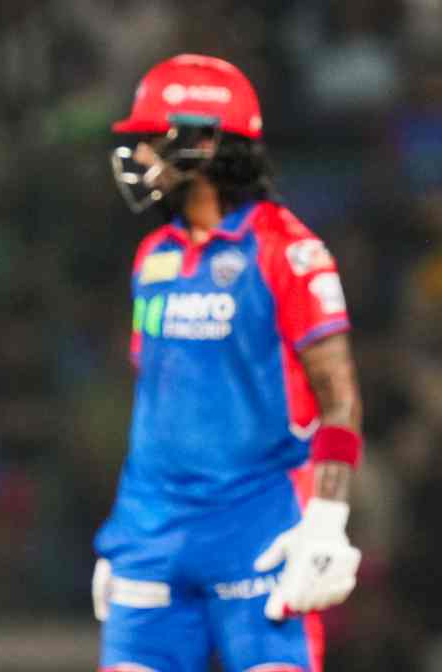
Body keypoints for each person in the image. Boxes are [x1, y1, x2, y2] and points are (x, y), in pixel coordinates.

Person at [93, 54, 363, 672]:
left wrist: (328, 520)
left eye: (153, 138)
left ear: (207, 142)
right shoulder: (153, 256)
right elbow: (160, 407)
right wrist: (125, 532)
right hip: (151, 536)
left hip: (259, 531)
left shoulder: (289, 250)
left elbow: (340, 398)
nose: (138, 155)